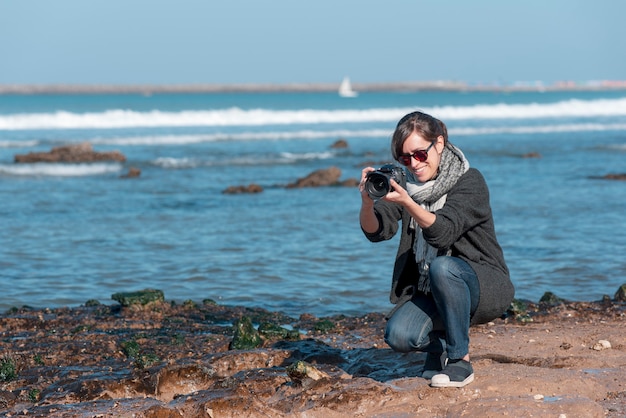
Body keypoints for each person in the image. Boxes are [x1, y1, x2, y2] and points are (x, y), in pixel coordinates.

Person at [359, 111, 514, 388]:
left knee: (443, 267)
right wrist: (367, 203)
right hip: (432, 289)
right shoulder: (406, 185)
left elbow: (442, 233)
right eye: (405, 159)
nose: (414, 165)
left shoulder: (469, 181)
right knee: (399, 335)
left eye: (419, 154)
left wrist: (409, 204)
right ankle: (440, 348)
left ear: (439, 144)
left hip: (483, 283)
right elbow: (377, 232)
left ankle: (460, 361)